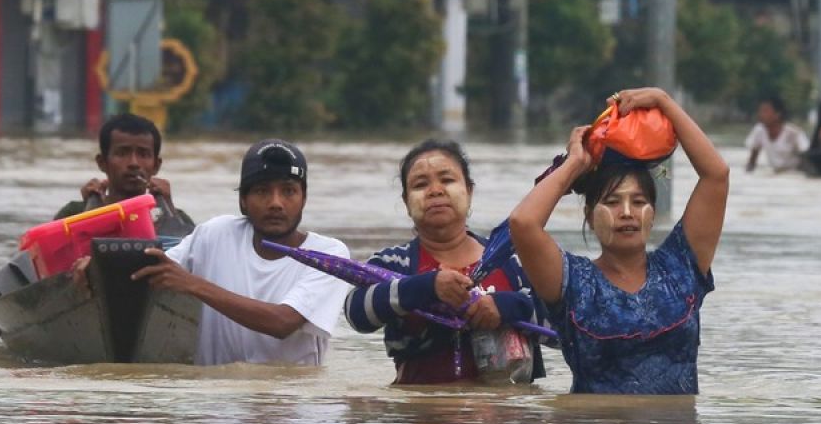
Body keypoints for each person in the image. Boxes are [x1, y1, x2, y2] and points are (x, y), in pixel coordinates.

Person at [509, 87, 729, 394]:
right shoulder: (572, 281)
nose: (627, 213)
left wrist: (663, 102)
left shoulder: (680, 267)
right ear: (589, 215)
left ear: (652, 214)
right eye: (612, 202)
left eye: (639, 202)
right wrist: (574, 164)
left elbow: (716, 174)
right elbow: (523, 223)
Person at [343, 140, 547, 385]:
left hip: (509, 415)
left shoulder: (512, 262)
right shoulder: (395, 262)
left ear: (469, 191)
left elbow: (567, 327)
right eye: (420, 185)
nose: (435, 191)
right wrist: (426, 287)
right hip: (421, 415)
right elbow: (355, 313)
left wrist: (511, 307)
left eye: (447, 180)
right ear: (407, 202)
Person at [132, 139, 350, 367]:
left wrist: (193, 284)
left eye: (288, 191)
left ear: (304, 199)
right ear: (243, 201)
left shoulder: (328, 255)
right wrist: (92, 264)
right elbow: (150, 268)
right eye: (262, 190)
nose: (276, 203)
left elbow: (283, 322)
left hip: (290, 400)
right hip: (214, 399)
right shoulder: (214, 234)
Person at [54, 112, 193, 235]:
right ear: (102, 162)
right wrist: (90, 211)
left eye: (143, 154)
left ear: (156, 166)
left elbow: (191, 258)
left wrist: (168, 207)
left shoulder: (177, 220)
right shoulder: (73, 213)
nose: (134, 163)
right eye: (122, 153)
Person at [745, 96, 810, 172]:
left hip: (794, 174)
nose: (761, 114)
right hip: (775, 174)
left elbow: (807, 158)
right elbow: (751, 162)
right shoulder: (759, 131)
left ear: (777, 114)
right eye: (760, 111)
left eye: (765, 111)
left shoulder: (794, 133)